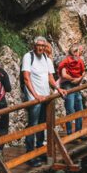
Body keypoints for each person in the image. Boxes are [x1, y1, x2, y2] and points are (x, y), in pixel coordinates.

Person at [20, 35, 62, 163]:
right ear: (34, 46)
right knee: (33, 124)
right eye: (39, 45)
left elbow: (50, 77)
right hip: (34, 98)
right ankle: (30, 154)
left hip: (45, 97)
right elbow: (26, 78)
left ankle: (39, 149)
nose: (41, 48)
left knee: (42, 124)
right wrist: (35, 95)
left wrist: (58, 88)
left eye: (43, 46)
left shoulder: (46, 59)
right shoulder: (28, 57)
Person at [57, 43, 86, 135]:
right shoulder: (67, 61)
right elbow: (63, 73)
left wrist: (79, 79)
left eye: (78, 52)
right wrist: (74, 79)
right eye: (76, 52)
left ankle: (79, 131)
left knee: (79, 108)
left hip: (76, 85)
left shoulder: (80, 61)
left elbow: (83, 72)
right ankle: (69, 132)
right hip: (68, 85)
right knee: (70, 108)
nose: (78, 54)